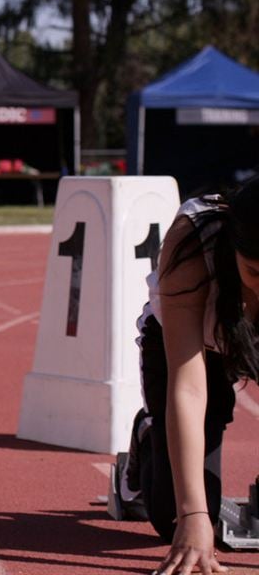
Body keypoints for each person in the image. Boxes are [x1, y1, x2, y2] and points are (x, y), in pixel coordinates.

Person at [119, 176, 259, 575]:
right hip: (187, 350)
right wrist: (194, 515)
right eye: (255, 272)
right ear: (233, 247)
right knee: (176, 521)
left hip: (249, 339)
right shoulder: (193, 240)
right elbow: (189, 387)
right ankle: (148, 436)